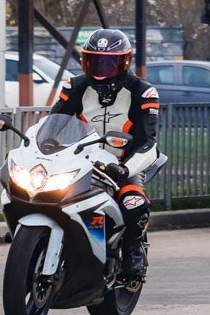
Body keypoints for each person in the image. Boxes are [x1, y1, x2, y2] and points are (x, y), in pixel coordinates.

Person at [51, 28, 159, 278]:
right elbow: (53, 124)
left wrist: (125, 169)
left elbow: (148, 143)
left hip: (123, 164)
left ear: (124, 62)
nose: (101, 68)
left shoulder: (142, 92)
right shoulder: (75, 86)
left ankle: (132, 250)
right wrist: (41, 147)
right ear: (84, 61)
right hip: (81, 160)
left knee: (134, 202)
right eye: (94, 61)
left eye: (109, 62)